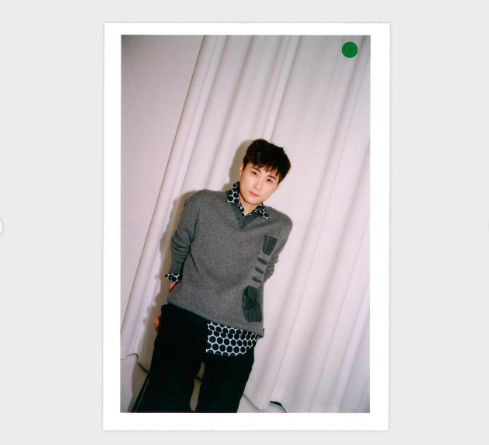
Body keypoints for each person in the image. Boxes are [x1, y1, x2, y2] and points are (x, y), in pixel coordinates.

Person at [132, 139, 293, 413]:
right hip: (187, 317)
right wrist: (176, 303)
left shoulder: (280, 225)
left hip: (239, 329)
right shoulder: (202, 202)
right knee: (163, 405)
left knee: (219, 414)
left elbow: (266, 269)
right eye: (254, 172)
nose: (258, 185)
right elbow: (179, 248)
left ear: (277, 186)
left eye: (269, 179)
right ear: (242, 169)